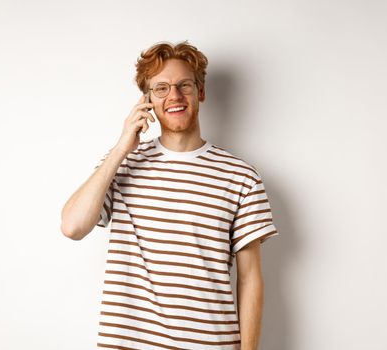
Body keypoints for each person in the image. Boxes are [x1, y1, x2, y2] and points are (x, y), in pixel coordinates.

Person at [60, 40, 279, 350]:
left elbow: (251, 279)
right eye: (161, 88)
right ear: (147, 100)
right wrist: (122, 146)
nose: (174, 96)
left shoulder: (241, 176)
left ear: (200, 92)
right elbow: (72, 226)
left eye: (184, 85)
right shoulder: (123, 164)